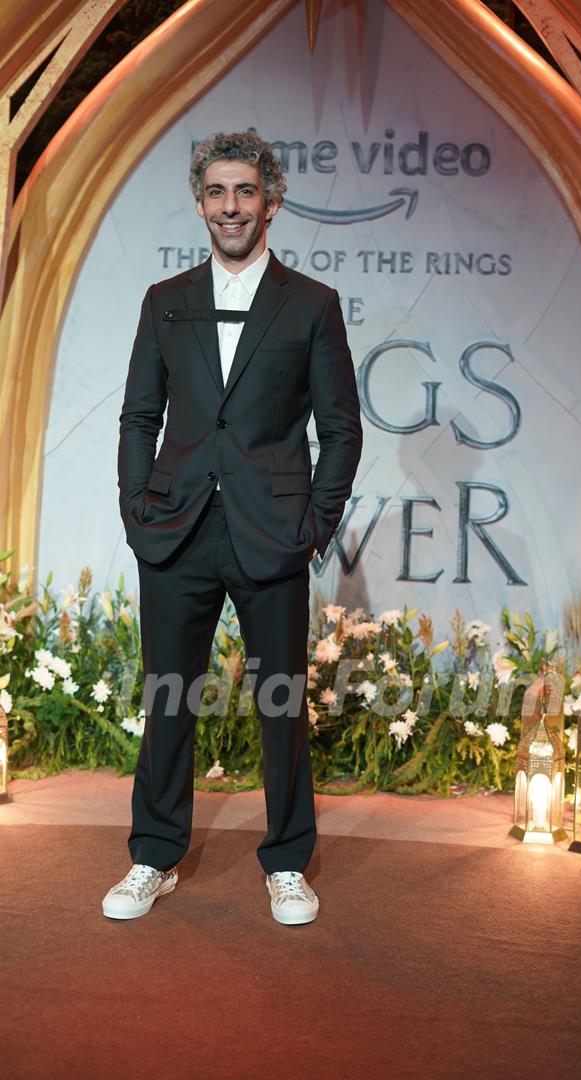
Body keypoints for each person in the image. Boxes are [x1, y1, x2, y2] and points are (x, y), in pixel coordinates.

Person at [102, 131, 363, 925]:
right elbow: (140, 414)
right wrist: (135, 504)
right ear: (200, 202)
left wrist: (313, 525)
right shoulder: (165, 299)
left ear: (272, 202)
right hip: (176, 529)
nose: (231, 206)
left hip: (271, 531)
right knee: (168, 698)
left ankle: (287, 864)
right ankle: (154, 856)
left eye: (245, 191)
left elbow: (341, 428)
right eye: (216, 192)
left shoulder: (311, 303)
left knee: (281, 707)